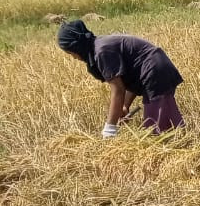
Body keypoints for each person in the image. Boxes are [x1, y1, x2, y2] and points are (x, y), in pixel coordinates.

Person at [56, 21, 185, 137]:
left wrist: (110, 128)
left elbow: (118, 89)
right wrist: (125, 106)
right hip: (155, 69)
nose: (73, 57)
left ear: (76, 47)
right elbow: (134, 75)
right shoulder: (99, 46)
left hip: (156, 71)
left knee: (155, 130)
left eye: (70, 52)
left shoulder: (102, 52)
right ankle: (182, 144)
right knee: (167, 122)